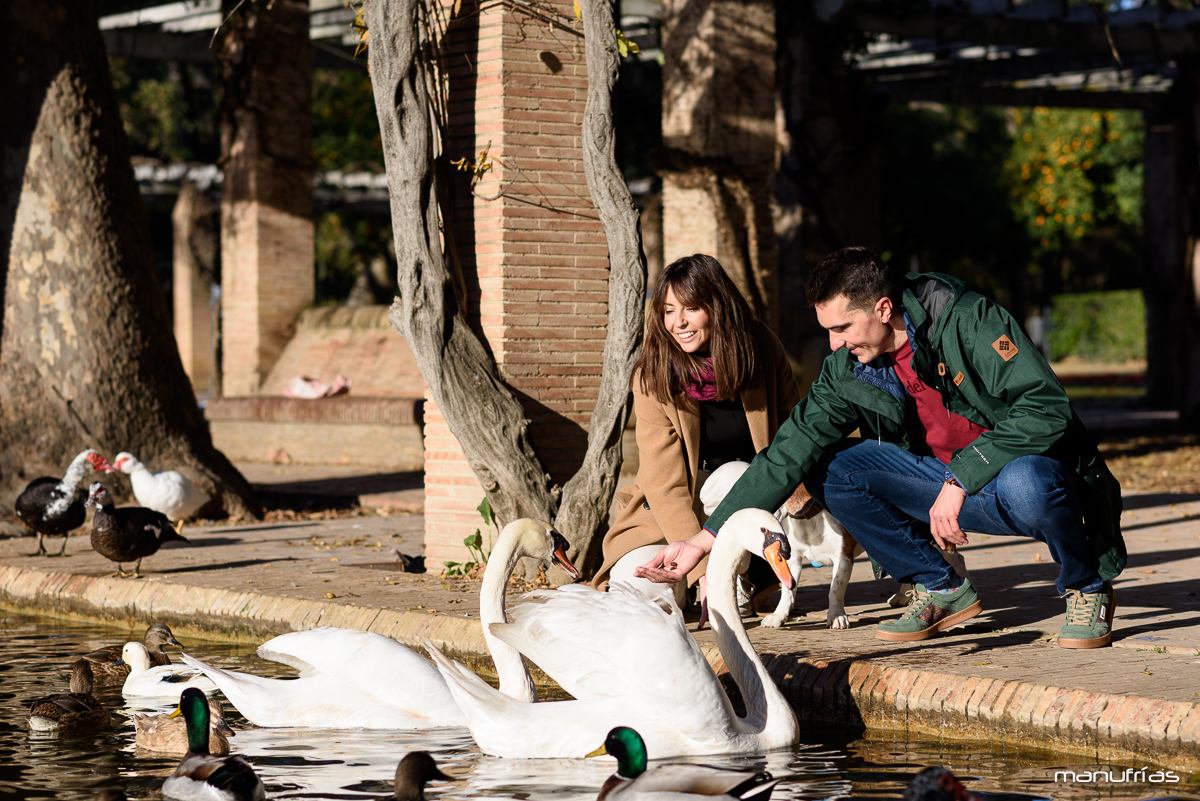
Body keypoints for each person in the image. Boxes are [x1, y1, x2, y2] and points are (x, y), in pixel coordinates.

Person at [636, 246, 1125, 649]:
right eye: (827, 329)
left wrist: (961, 477)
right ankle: (940, 588)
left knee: (1031, 481)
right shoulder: (849, 367)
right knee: (827, 465)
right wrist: (705, 539)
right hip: (939, 491)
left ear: (884, 310)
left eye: (842, 328)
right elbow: (786, 453)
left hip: (1018, 480)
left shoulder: (969, 321)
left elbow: (1046, 407)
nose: (832, 344)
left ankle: (1086, 587)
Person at [591, 253, 801, 600]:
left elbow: (792, 434)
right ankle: (697, 586)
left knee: (735, 475)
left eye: (690, 308)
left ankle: (740, 578)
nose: (678, 322)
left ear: (718, 307)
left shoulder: (760, 348)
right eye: (669, 310)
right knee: (633, 596)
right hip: (670, 511)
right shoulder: (653, 372)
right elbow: (663, 484)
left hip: (744, 497)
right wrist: (701, 572)